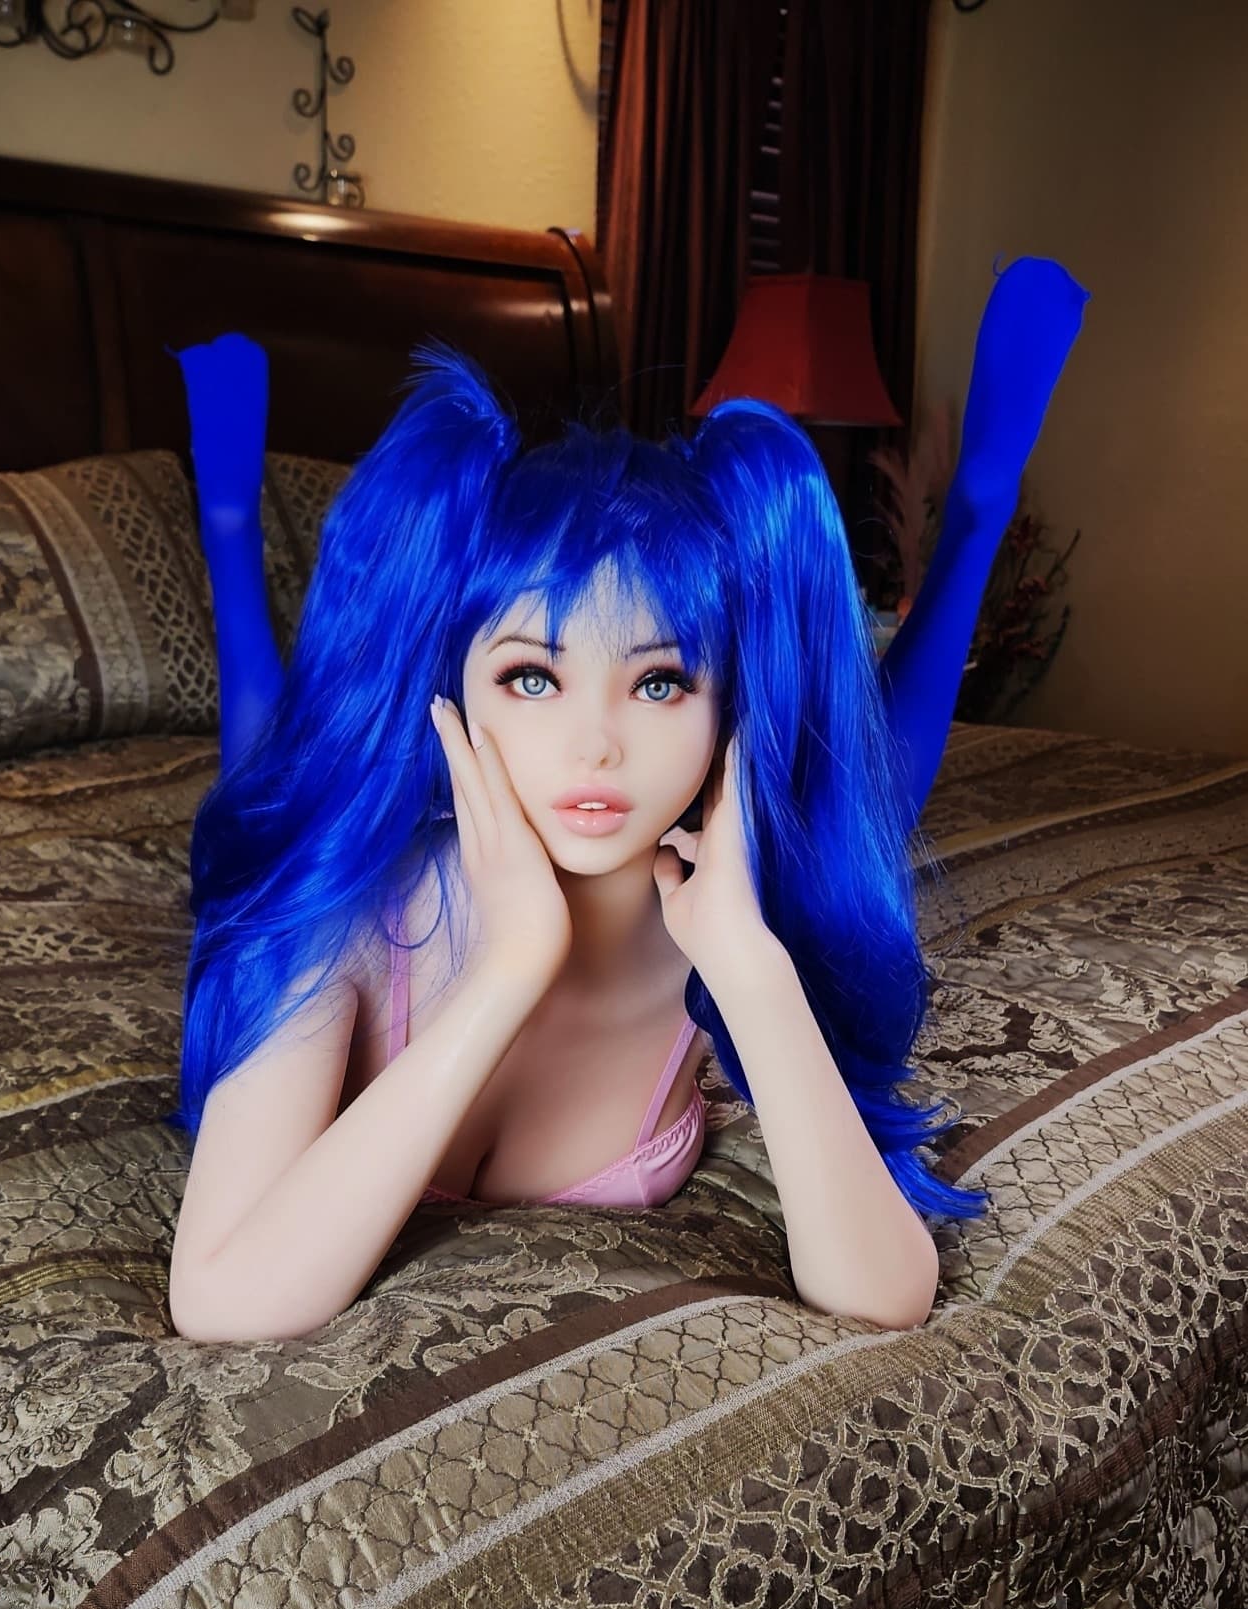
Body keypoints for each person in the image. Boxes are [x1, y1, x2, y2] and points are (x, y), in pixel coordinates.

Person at [163, 256, 1089, 1340]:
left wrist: (747, 963)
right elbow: (221, 1300)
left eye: (658, 683)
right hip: (354, 869)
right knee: (269, 783)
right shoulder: (346, 918)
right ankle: (228, 515)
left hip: (720, 862)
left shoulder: (723, 917)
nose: (596, 745)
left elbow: (885, 1294)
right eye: (531, 677)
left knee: (857, 797)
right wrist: (510, 966)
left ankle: (977, 508)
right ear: (452, 686)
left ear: (724, 705)